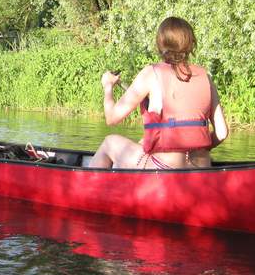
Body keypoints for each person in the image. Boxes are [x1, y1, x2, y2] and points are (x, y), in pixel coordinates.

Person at [88, 17, 228, 169]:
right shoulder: (205, 77)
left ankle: (88, 191)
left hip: (164, 168)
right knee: (142, 144)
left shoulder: (151, 73)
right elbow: (222, 133)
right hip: (201, 169)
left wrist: (108, 87)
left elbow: (111, 118)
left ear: (160, 44)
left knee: (110, 143)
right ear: (191, 43)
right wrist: (197, 148)